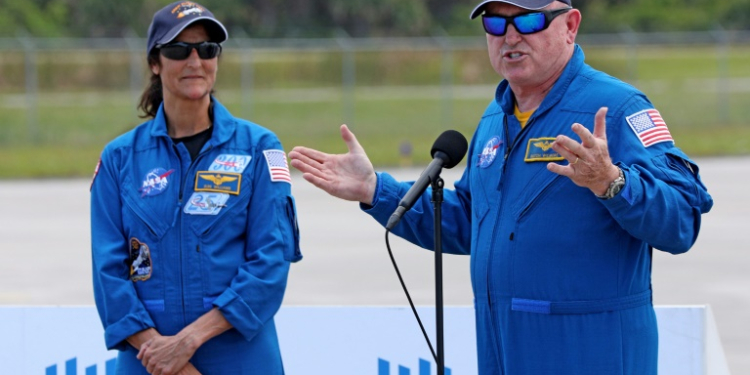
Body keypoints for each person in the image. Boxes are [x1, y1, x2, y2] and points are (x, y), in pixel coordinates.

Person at [289, 0, 713, 374]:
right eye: (495, 23)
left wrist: (613, 183)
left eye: (527, 21)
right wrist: (374, 190)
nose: (510, 36)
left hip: (590, 352)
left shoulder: (618, 108)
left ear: (570, 26)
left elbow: (681, 221)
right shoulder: (495, 118)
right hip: (502, 351)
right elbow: (471, 220)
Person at [90, 2, 302, 374]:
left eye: (207, 49)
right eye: (178, 49)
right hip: (149, 358)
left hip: (239, 353)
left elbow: (271, 260)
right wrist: (160, 352)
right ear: (155, 63)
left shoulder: (260, 148)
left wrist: (188, 343)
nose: (195, 61)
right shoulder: (119, 158)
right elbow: (108, 270)